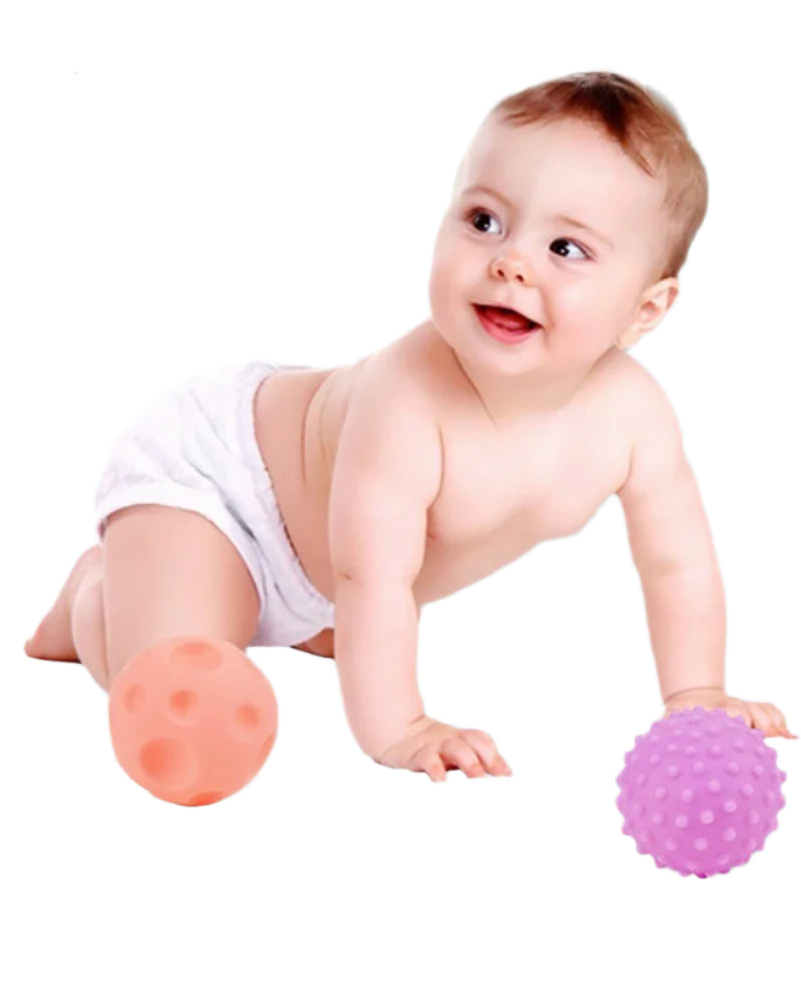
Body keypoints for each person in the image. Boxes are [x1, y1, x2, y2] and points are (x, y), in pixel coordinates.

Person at [24, 70, 795, 783]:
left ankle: (170, 594)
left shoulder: (636, 419)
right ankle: (100, 596)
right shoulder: (405, 399)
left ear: (645, 309)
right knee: (182, 669)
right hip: (224, 488)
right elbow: (373, 580)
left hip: (323, 578)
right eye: (485, 220)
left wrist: (696, 691)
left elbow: (677, 565)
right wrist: (400, 728)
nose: (511, 263)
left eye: (566, 248)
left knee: (331, 626)